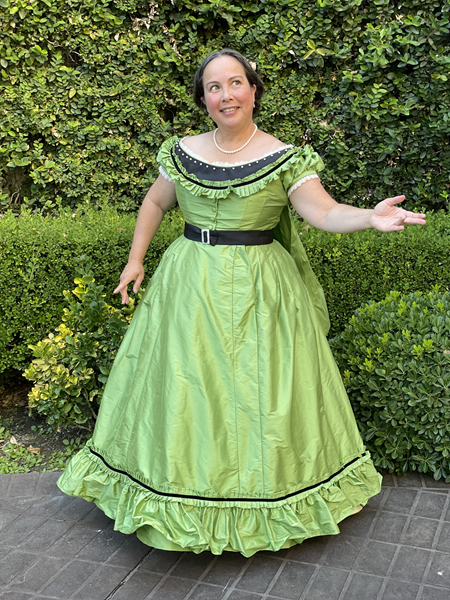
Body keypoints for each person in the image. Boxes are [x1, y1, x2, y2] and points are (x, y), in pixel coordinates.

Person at [57, 49, 426, 557]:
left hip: (261, 290)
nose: (225, 95)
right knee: (187, 388)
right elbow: (156, 202)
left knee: (257, 391)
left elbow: (324, 211)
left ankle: (261, 500)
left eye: (235, 83)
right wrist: (135, 259)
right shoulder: (182, 151)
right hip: (188, 284)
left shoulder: (284, 157)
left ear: (253, 89)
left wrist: (369, 216)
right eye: (213, 87)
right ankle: (179, 496)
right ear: (203, 98)